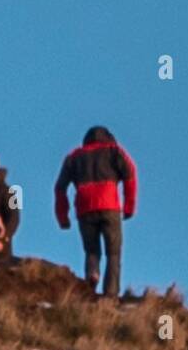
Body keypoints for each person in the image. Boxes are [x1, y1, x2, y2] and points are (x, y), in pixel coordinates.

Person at [54, 126, 137, 296]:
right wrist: (129, 206)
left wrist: (63, 216)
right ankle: (111, 293)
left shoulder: (74, 156)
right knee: (113, 252)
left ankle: (92, 276)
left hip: (84, 208)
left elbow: (60, 187)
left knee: (92, 250)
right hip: (109, 206)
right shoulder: (113, 151)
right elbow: (130, 175)